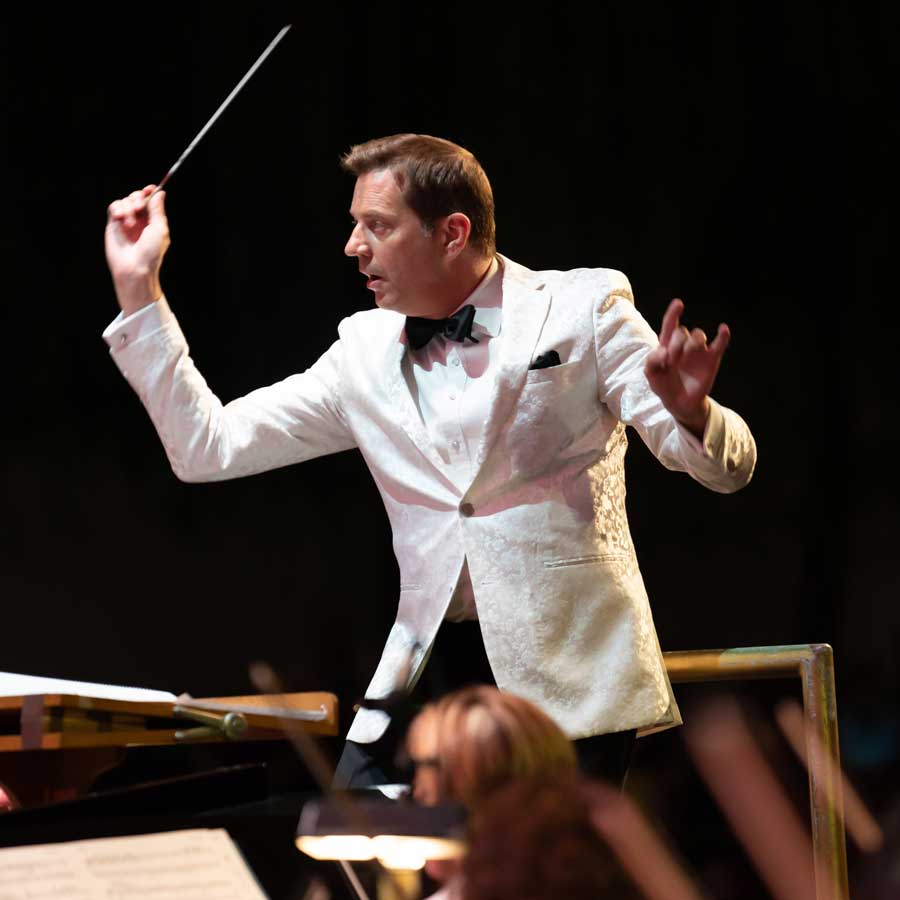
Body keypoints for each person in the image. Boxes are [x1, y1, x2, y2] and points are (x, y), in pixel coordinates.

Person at [103, 133, 756, 789]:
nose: (352, 246)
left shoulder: (583, 309)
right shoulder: (360, 353)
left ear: (452, 233)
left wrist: (692, 414)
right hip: (428, 671)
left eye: (376, 226)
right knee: (361, 851)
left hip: (567, 673)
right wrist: (139, 290)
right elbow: (207, 447)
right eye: (355, 224)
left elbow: (725, 469)